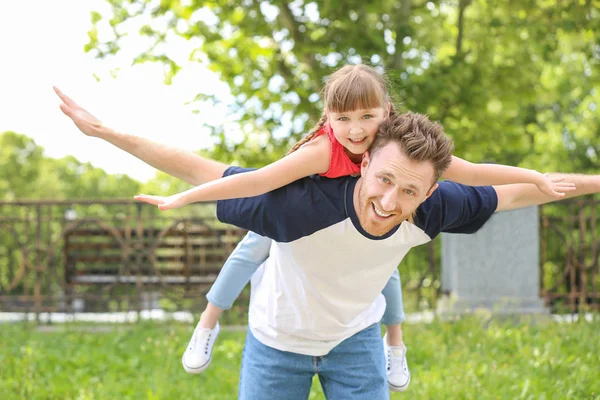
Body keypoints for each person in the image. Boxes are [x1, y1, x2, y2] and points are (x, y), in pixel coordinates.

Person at [54, 65, 571, 394]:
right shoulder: (305, 186)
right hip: (279, 341)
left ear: (383, 120)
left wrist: (547, 178)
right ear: (331, 121)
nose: (392, 201)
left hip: (355, 339)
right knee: (253, 253)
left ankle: (395, 342)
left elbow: (503, 188)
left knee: (385, 263)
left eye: (366, 118)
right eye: (343, 118)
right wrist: (109, 136)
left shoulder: (420, 187)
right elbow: (223, 174)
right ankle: (207, 323)